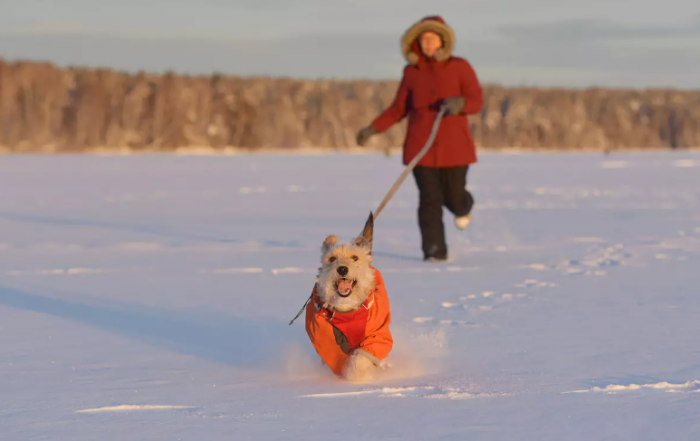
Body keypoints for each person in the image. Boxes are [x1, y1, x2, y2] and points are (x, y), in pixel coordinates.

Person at [356, 15, 484, 262]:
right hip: (420, 149)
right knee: (429, 201)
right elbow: (398, 109)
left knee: (454, 197)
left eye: (433, 38)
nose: (428, 43)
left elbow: (477, 101)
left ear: (442, 40)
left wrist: (461, 103)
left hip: (455, 149)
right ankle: (434, 253)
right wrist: (372, 129)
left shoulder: (460, 66)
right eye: (424, 39)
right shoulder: (411, 72)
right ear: (416, 42)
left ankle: (464, 206)